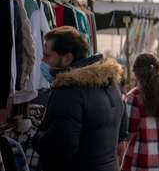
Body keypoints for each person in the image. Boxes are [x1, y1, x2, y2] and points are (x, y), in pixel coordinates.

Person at [33, 26, 126, 171]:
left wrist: (37, 137)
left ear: (67, 58)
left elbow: (60, 146)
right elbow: (121, 134)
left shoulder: (68, 90)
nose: (43, 60)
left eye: (47, 55)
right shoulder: (111, 84)